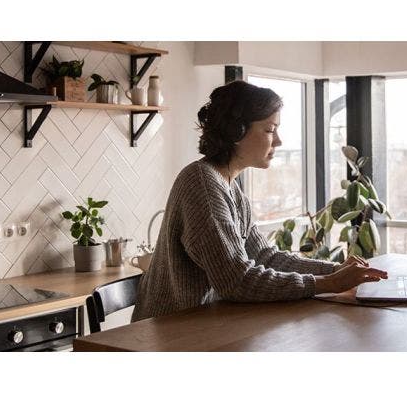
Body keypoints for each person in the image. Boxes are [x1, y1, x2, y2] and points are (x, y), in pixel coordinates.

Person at [132, 80, 388, 321]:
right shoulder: (202, 185)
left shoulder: (229, 187)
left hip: (204, 324)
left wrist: (335, 270)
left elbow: (265, 257)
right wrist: (327, 283)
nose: (278, 140)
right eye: (270, 129)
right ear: (236, 131)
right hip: (167, 335)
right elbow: (236, 280)